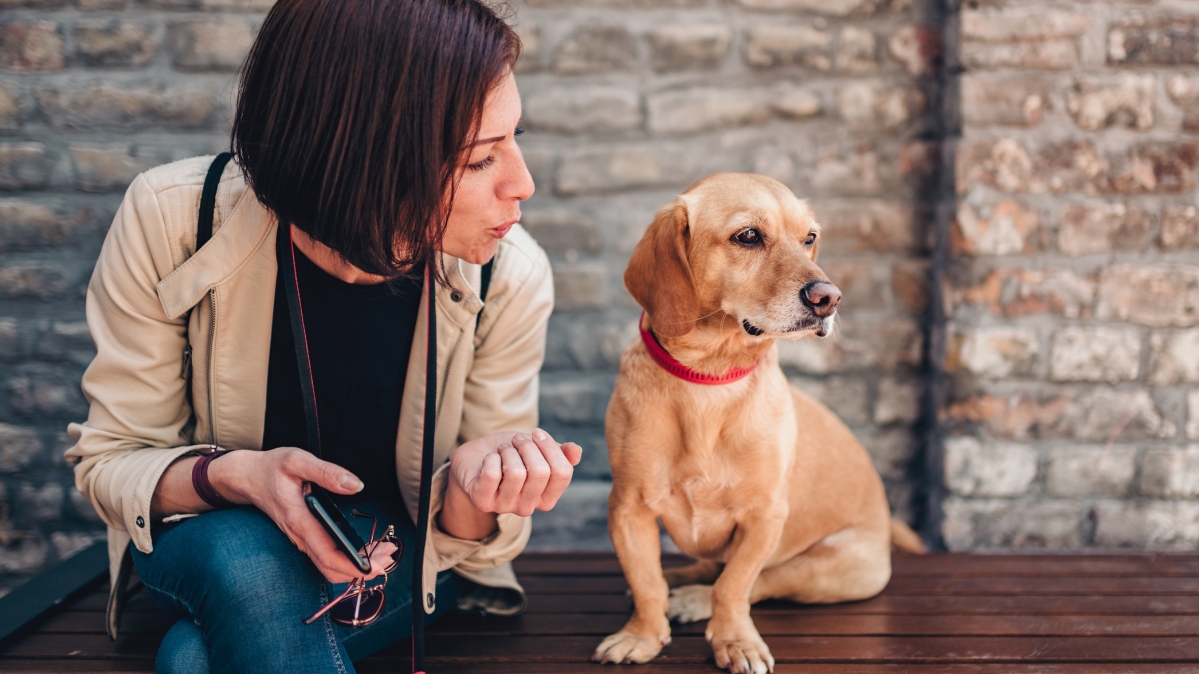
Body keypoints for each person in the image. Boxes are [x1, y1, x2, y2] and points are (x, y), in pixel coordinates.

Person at [63, 0, 580, 671]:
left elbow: (470, 541)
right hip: (210, 541)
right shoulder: (172, 223)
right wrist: (241, 477)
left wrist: (476, 492)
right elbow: (111, 463)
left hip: (396, 558)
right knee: (243, 553)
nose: (523, 183)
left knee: (192, 660)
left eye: (513, 139)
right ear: (364, 155)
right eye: (480, 159)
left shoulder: (507, 275)